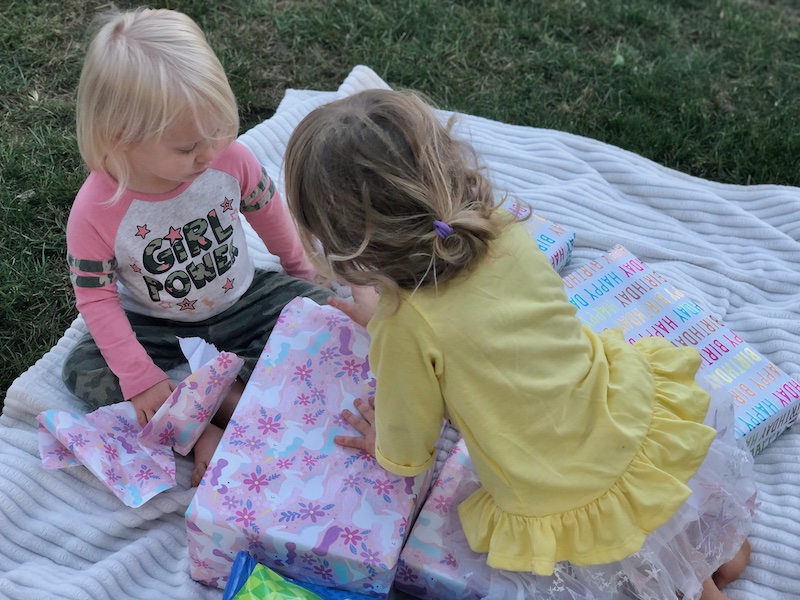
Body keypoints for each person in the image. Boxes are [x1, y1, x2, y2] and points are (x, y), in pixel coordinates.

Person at [282, 88, 754, 599]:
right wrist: (387, 311)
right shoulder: (501, 229)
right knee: (654, 511)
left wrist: (382, 441)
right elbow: (469, 320)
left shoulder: (405, 330)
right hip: (629, 415)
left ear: (340, 239)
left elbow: (409, 449)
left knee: (629, 556)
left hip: (565, 487)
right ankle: (716, 554)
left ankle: (698, 584)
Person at [62, 8, 331, 487]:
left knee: (327, 315)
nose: (207, 154)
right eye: (187, 147)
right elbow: (96, 299)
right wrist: (140, 376)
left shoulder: (230, 159)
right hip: (158, 326)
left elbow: (268, 214)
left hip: (245, 301)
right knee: (83, 369)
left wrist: (298, 270)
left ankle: (206, 394)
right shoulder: (96, 210)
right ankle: (207, 418)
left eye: (217, 131)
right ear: (119, 139)